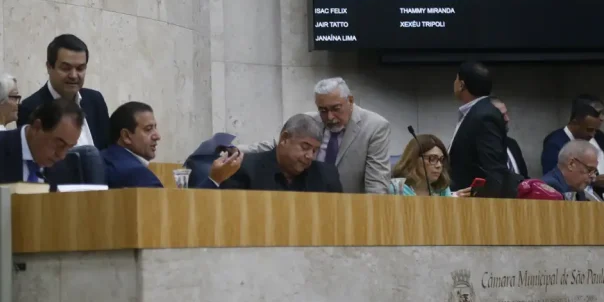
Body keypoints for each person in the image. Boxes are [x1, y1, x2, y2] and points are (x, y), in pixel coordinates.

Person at [239, 77, 390, 194]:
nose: (330, 117)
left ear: (350, 100)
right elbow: (276, 147)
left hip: (352, 210)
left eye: (336, 108)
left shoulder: (375, 127)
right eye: (323, 110)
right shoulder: (309, 121)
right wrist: (230, 149)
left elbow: (376, 184)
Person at [101, 102, 241, 188]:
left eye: (155, 128)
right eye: (148, 129)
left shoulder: (104, 159)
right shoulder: (136, 174)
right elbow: (176, 218)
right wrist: (215, 178)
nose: (157, 136)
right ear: (126, 136)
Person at [18, 34, 109, 150]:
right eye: (66, 68)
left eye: (80, 68)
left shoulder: (95, 100)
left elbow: (106, 148)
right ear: (49, 67)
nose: (74, 75)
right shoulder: (31, 107)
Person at [213, 114, 343, 192]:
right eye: (305, 147)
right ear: (284, 138)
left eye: (315, 150)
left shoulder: (326, 176)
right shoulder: (244, 169)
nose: (310, 156)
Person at [448, 62, 515, 198]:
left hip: (477, 207)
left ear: (461, 85)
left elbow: (494, 170)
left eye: (455, 79)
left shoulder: (484, 115)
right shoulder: (476, 111)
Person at [388, 134, 471, 197]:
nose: (439, 165)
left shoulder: (442, 189)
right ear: (414, 159)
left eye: (441, 159)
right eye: (432, 159)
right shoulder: (396, 189)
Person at [490, 96, 528, 179]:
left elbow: (524, 177)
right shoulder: (477, 148)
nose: (507, 119)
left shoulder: (512, 144)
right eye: (502, 115)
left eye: (506, 113)